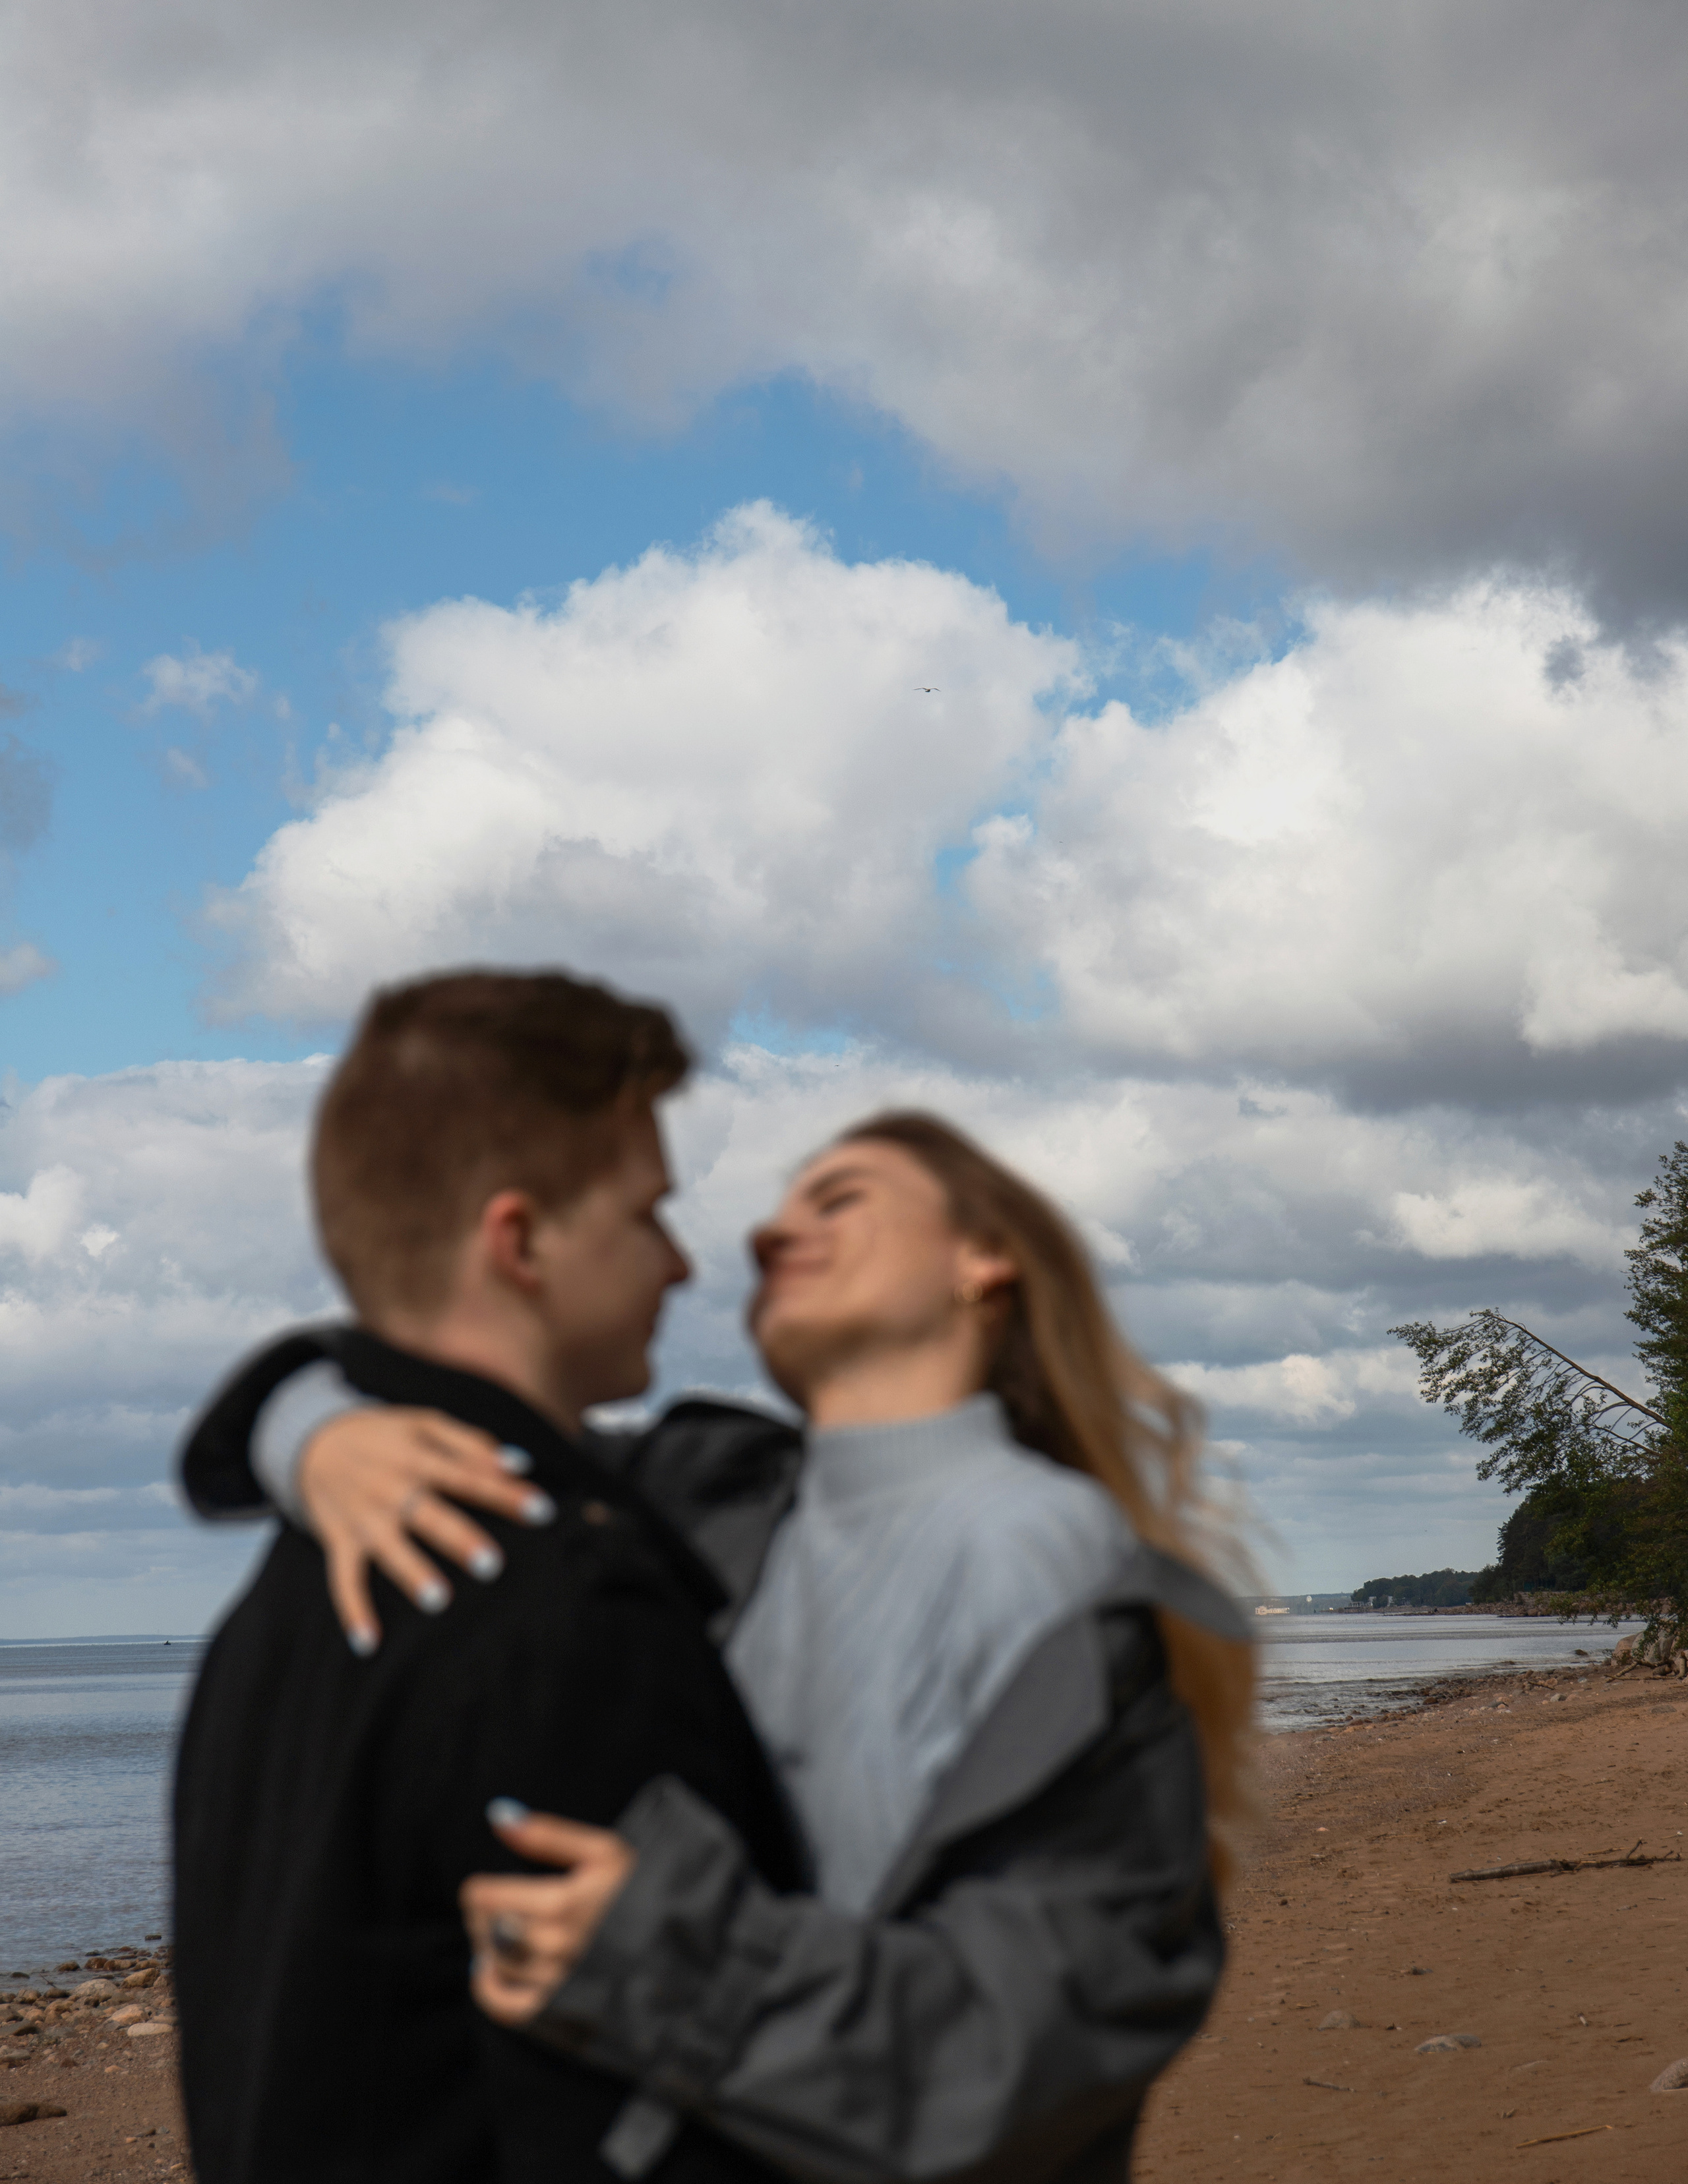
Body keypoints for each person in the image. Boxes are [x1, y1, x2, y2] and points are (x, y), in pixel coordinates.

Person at [184, 1097, 1254, 2181]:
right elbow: (399, 1400)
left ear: (984, 1258)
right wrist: (324, 1438)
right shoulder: (692, 1493)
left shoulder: (1065, 1561)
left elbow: (1051, 2029)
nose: (766, 1234)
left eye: (839, 1197)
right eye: (778, 1209)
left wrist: (689, 1965)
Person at [172, 969, 806, 2184]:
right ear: (518, 1240)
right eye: (645, 1212)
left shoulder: (270, 1611)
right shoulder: (560, 1605)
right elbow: (631, 2120)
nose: (680, 1263)